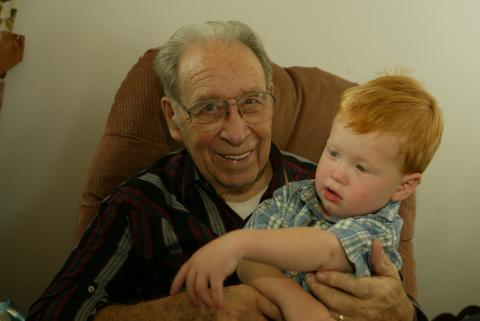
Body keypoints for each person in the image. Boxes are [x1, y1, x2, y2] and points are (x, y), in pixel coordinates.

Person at [26, 21, 426, 321]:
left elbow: (389, 292)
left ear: (272, 100)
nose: (236, 132)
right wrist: (191, 312)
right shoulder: (139, 204)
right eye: (208, 107)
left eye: (252, 101)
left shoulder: (320, 185)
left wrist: (405, 313)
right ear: (172, 118)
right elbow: (53, 313)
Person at [170, 75, 444, 321]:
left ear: (403, 187)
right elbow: (249, 262)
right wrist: (292, 298)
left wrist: (239, 242)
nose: (337, 173)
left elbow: (325, 250)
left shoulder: (378, 230)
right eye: (333, 153)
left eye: (360, 167)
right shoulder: (292, 196)